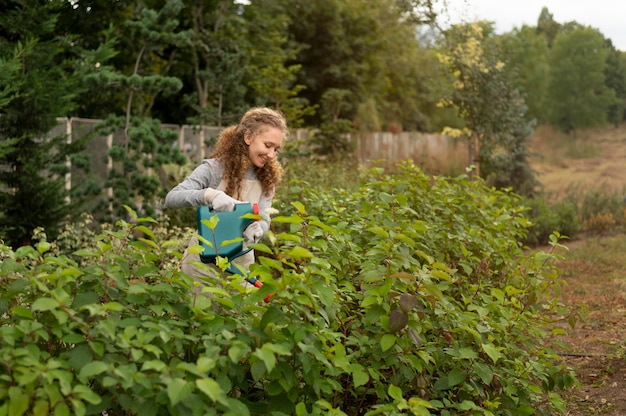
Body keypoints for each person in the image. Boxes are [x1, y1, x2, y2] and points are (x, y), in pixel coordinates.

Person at [165, 107, 286, 285]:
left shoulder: (267, 179)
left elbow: (265, 217)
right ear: (248, 137)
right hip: (202, 265)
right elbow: (172, 198)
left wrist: (259, 227)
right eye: (268, 146)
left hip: (241, 266)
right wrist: (209, 195)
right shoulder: (214, 169)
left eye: (276, 149)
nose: (271, 155)